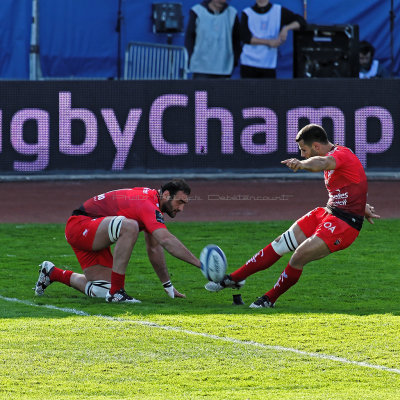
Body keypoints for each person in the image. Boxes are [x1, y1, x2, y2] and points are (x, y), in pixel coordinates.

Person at [205, 124, 380, 308]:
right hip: (328, 212)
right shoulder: (338, 153)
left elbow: (321, 163)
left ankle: (269, 299)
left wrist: (302, 164)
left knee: (298, 257)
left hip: (344, 224)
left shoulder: (337, 156)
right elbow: (353, 180)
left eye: (304, 150)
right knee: (280, 243)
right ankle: (235, 278)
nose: (303, 154)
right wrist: (362, 205)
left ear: (316, 147)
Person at [35, 179, 201, 303]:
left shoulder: (153, 205)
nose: (181, 208)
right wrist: (201, 265)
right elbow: (166, 240)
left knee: (100, 290)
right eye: (180, 202)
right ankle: (117, 292)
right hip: (80, 226)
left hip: (94, 231)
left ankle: (52, 273)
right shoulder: (148, 204)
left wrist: (168, 285)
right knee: (130, 226)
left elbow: (155, 249)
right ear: (166, 195)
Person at [240, 0, 306, 78]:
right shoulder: (247, 13)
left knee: (268, 89)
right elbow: (246, 38)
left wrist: (286, 28)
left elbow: (301, 22)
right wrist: (268, 42)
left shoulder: (278, 11)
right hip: (248, 62)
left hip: (268, 63)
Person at [185, 0, 241, 79]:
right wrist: (191, 58)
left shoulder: (232, 13)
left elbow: (236, 41)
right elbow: (190, 38)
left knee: (221, 91)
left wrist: (233, 62)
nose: (221, 1)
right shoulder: (197, 11)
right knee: (200, 91)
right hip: (200, 69)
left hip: (224, 69)